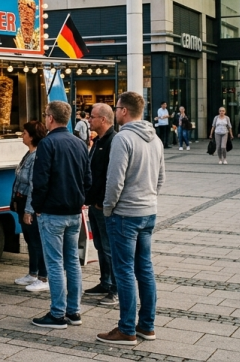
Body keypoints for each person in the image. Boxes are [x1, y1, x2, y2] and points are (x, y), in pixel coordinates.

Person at [97, 91, 164, 346]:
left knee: (124, 270)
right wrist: (149, 198)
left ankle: (126, 329)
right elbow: (160, 178)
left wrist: (108, 208)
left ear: (124, 111)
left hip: (124, 213)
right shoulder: (155, 139)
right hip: (148, 211)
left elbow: (115, 180)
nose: (115, 112)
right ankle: (147, 326)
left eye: (116, 108)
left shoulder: (122, 138)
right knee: (144, 269)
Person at [30, 100, 90, 329]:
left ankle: (57, 314)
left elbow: (41, 180)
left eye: (46, 115)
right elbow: (88, 178)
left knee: (54, 263)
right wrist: (80, 200)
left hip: (52, 211)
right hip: (74, 211)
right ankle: (73, 311)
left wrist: (37, 206)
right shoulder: (79, 143)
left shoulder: (47, 143)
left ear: (51, 118)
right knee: (72, 261)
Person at [84, 103, 118, 306]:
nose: (89, 120)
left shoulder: (113, 141)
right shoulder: (98, 141)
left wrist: (101, 202)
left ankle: (115, 288)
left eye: (92, 117)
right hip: (94, 203)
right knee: (99, 245)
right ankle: (105, 282)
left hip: (103, 205)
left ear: (103, 119)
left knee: (108, 247)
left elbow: (111, 176)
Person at [11, 120, 48, 293]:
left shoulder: (36, 156)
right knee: (29, 239)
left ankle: (43, 276)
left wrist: (29, 210)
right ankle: (33, 272)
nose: (22, 136)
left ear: (32, 136)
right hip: (21, 199)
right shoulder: (29, 153)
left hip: (28, 201)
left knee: (36, 240)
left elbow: (34, 185)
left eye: (24, 133)